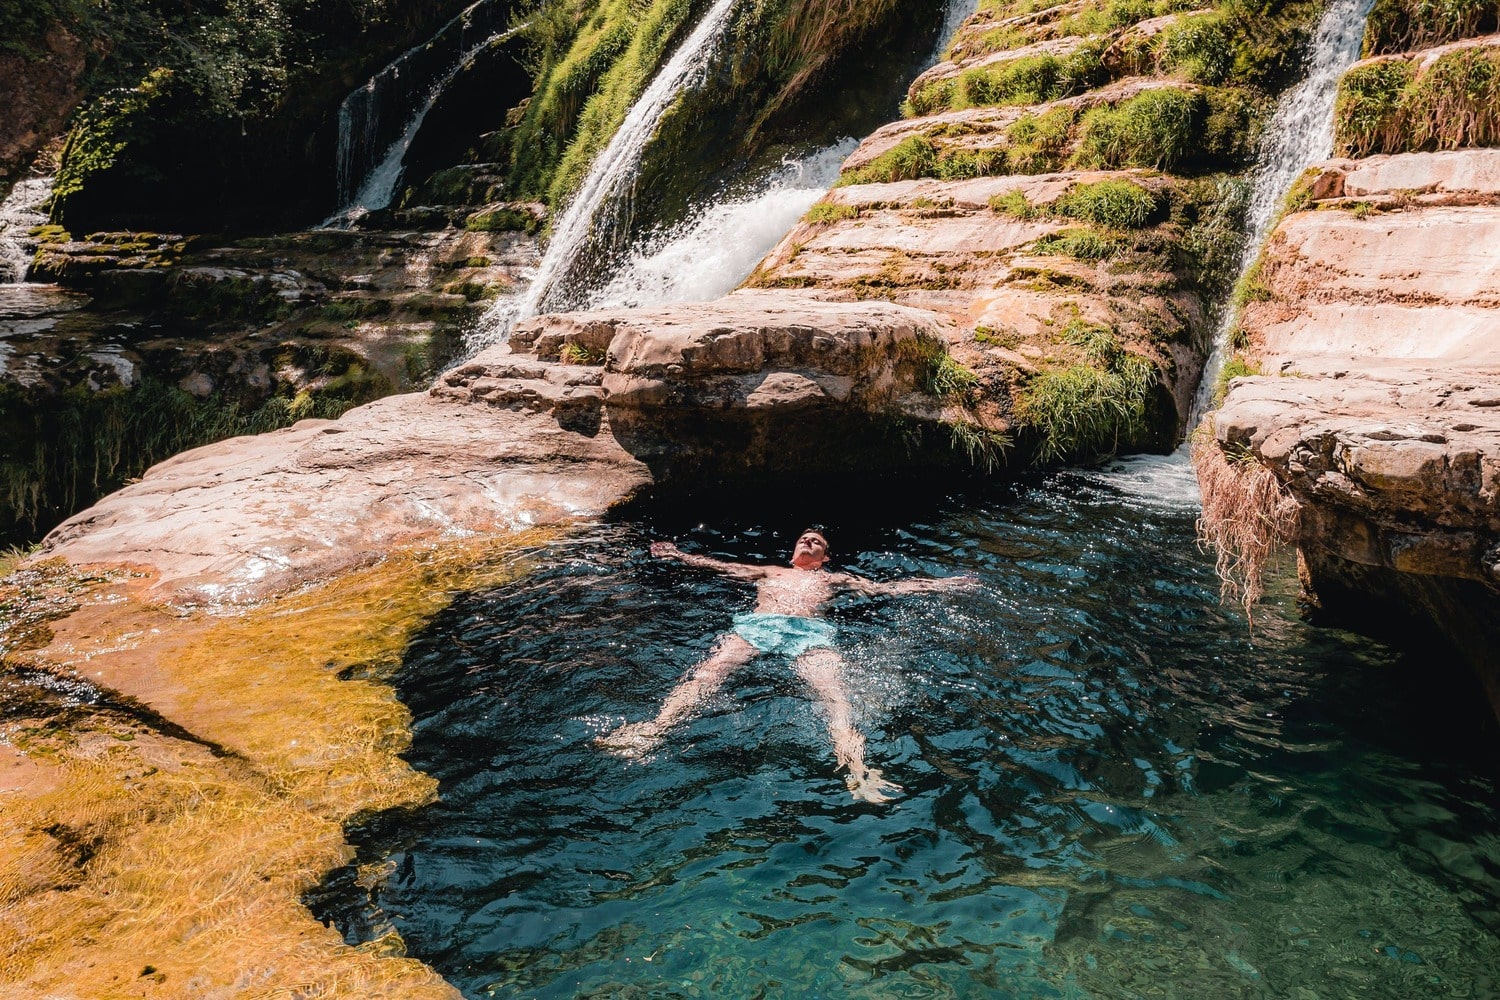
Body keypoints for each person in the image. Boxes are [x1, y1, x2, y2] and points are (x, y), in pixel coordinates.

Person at [597, 528, 977, 802]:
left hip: (810, 633)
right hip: (759, 626)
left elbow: (886, 589)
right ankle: (654, 730)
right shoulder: (770, 572)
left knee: (835, 697)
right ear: (793, 551)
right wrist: (678, 556)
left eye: (817, 542)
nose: (809, 542)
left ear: (825, 557)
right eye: (804, 539)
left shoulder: (836, 578)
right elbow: (719, 567)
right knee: (708, 673)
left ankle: (859, 770)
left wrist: (942, 586)